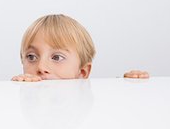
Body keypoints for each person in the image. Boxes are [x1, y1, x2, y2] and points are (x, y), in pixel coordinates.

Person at [12, 14, 149, 81]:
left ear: (82, 72)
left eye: (57, 57)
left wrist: (131, 86)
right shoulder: (20, 93)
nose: (41, 67)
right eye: (31, 57)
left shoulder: (86, 103)